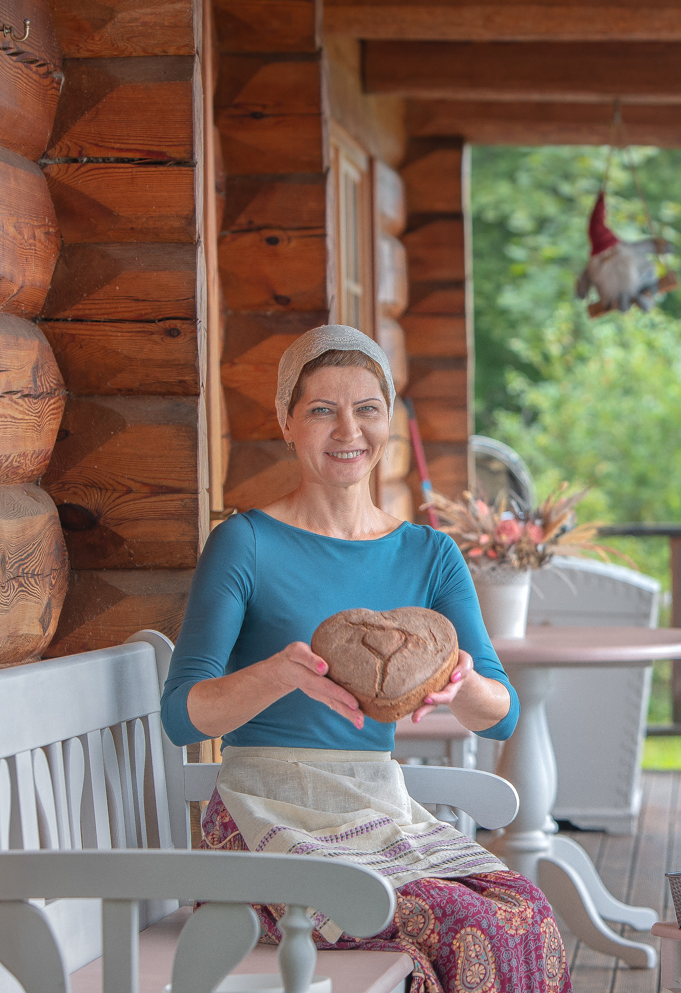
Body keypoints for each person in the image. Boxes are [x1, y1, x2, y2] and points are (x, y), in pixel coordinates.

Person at [161, 325, 570, 993]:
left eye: (367, 408)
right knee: (461, 924)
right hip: (265, 814)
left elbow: (500, 712)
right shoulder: (244, 543)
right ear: (285, 420)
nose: (347, 429)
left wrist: (460, 680)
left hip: (378, 808)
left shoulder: (428, 554)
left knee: (527, 911)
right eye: (322, 408)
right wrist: (279, 672)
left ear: (389, 418)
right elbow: (181, 715)